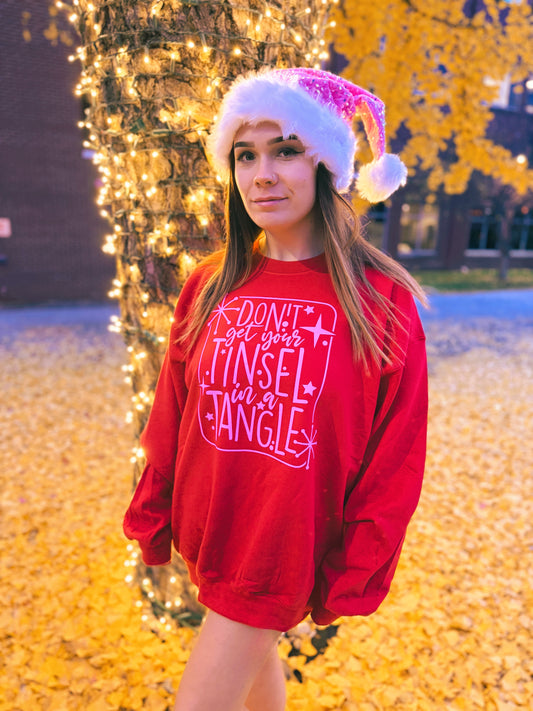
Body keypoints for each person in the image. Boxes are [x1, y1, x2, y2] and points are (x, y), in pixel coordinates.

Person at [123, 67, 428, 711]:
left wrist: (357, 564)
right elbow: (173, 412)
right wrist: (155, 509)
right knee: (256, 687)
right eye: (245, 155)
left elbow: (396, 453)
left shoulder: (380, 301)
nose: (262, 174)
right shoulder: (210, 285)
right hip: (211, 532)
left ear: (325, 164)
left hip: (285, 552)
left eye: (285, 150)